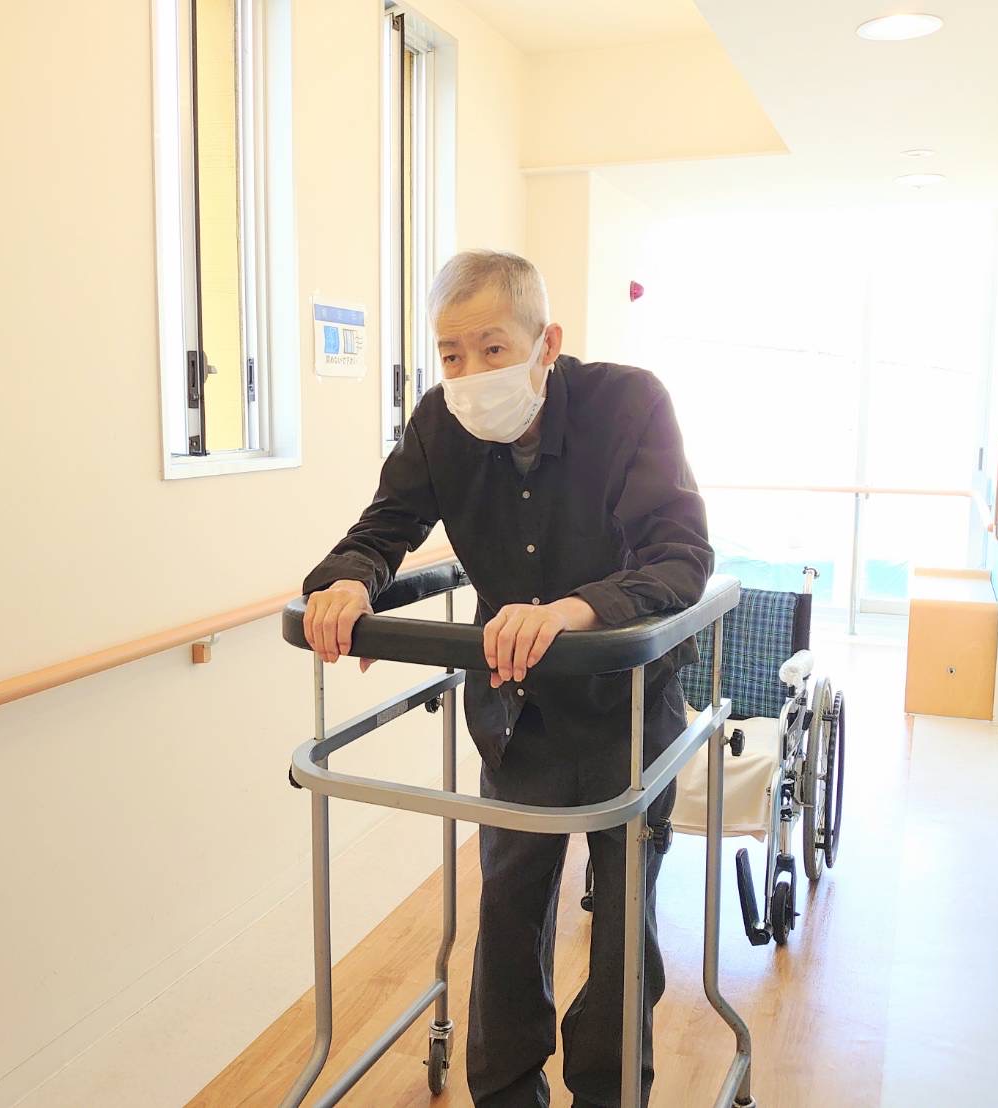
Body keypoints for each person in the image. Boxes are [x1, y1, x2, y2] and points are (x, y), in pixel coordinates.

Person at [300, 249, 713, 1108]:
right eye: (450, 354)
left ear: (544, 342)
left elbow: (680, 556)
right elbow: (385, 525)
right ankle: (504, 1094)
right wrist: (347, 582)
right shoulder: (438, 422)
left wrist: (574, 610)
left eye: (492, 349)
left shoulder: (627, 404)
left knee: (621, 921)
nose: (470, 374)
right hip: (516, 711)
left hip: (626, 705)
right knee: (508, 905)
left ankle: (608, 1093)